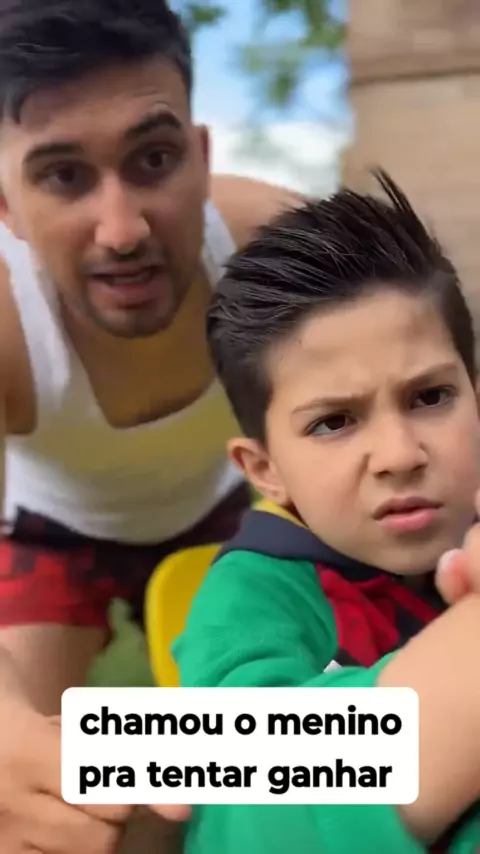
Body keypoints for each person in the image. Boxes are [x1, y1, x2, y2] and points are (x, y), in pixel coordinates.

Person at [0, 0, 301, 851]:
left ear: (202, 158)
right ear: (6, 206)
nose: (122, 230)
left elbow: (417, 393)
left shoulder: (273, 246)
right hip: (54, 531)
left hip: (226, 505)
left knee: (314, 760)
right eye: (63, 176)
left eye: (154, 160)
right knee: (38, 802)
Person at [170, 172, 480, 853]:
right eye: (334, 422)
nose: (399, 455)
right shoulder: (247, 605)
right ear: (265, 470)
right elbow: (255, 813)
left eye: (430, 397)